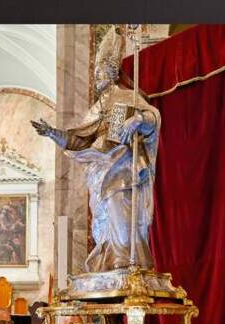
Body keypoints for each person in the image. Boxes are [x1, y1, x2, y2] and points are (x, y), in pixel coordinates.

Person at [31, 26, 160, 273]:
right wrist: (52, 133)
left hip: (121, 167)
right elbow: (79, 139)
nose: (96, 78)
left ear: (112, 73)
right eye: (95, 73)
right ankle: (109, 259)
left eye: (100, 73)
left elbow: (153, 117)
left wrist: (138, 119)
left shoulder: (126, 97)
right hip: (98, 169)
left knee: (120, 210)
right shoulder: (95, 109)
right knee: (103, 218)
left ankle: (125, 260)